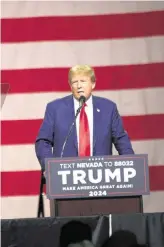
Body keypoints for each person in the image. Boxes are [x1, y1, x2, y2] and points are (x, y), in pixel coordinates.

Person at [35, 65, 134, 171]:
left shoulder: (108, 108)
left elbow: (121, 140)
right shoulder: (55, 108)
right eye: (74, 82)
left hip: (102, 175)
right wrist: (49, 167)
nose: (79, 86)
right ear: (70, 85)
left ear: (93, 84)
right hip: (65, 176)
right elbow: (43, 141)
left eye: (83, 81)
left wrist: (131, 165)